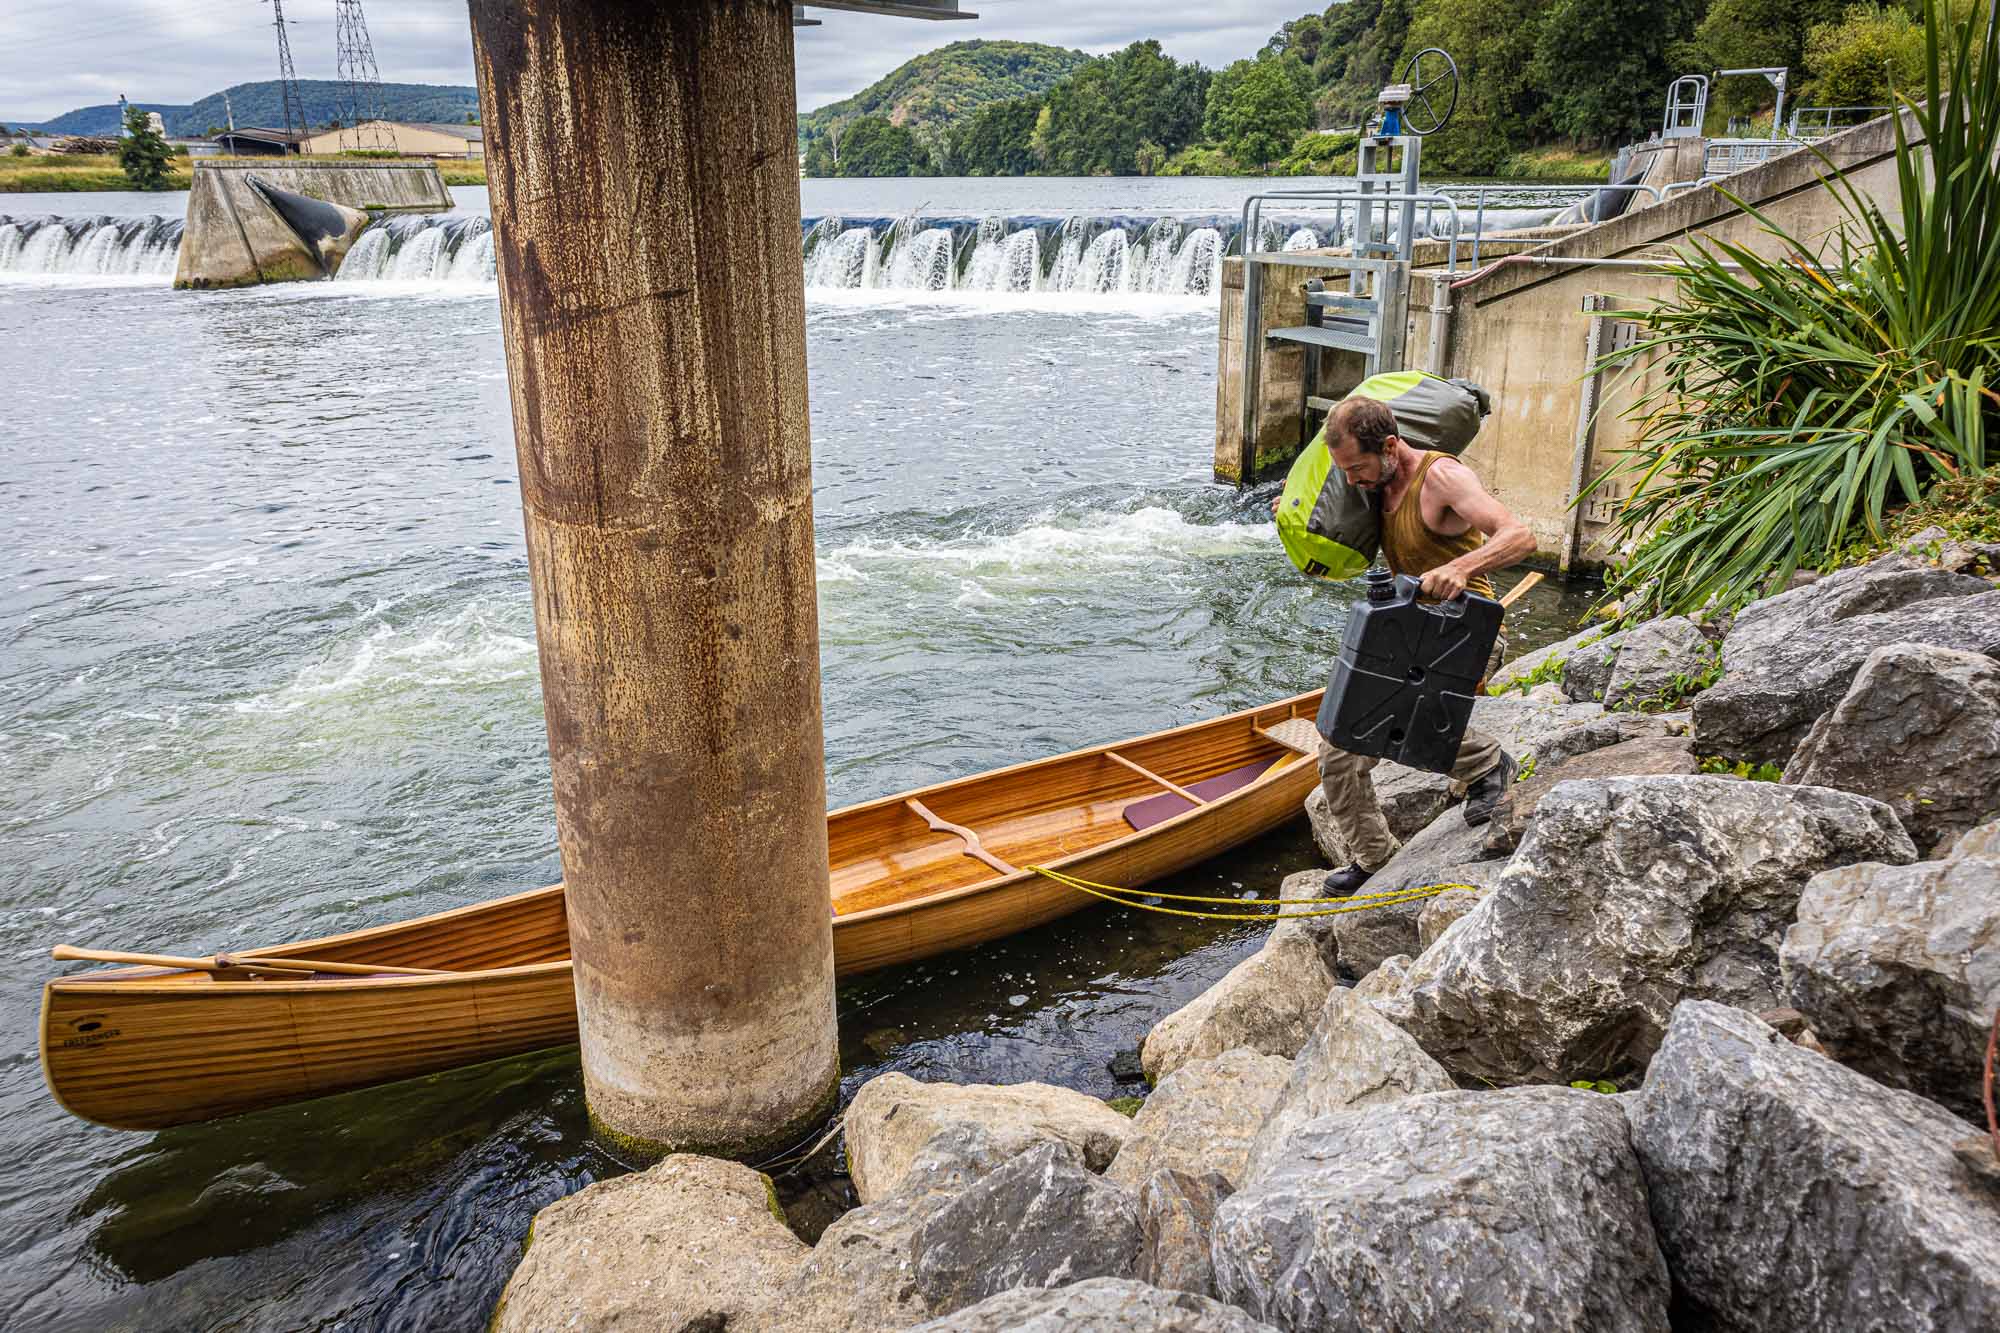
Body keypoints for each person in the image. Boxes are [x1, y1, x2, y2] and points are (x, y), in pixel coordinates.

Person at [1305, 395, 1536, 896]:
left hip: (1464, 628)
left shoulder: (1441, 478)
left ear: (1390, 446)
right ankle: (1376, 860)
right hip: (1408, 630)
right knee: (1338, 748)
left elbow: (1520, 536)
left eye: (1358, 467)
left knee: (1394, 723)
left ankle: (1486, 764)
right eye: (1344, 471)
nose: (1351, 480)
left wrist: (1460, 567)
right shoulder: (1373, 483)